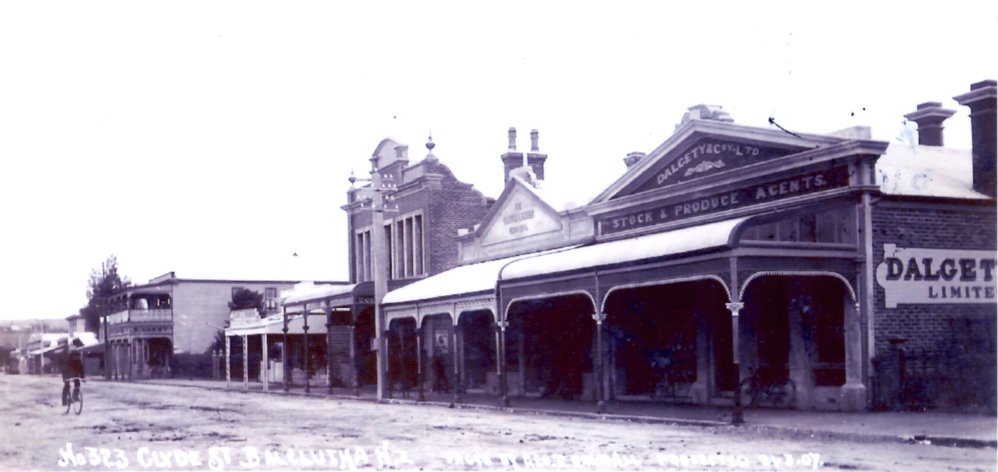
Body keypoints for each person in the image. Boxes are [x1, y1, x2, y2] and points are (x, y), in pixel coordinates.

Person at [61, 338, 85, 405]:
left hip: (73, 371)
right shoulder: (66, 351)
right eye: (78, 346)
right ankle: (64, 401)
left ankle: (75, 396)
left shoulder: (77, 353)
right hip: (66, 371)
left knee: (77, 383)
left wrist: (82, 376)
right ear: (74, 345)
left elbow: (80, 365)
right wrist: (65, 376)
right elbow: (63, 363)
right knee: (67, 385)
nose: (79, 348)